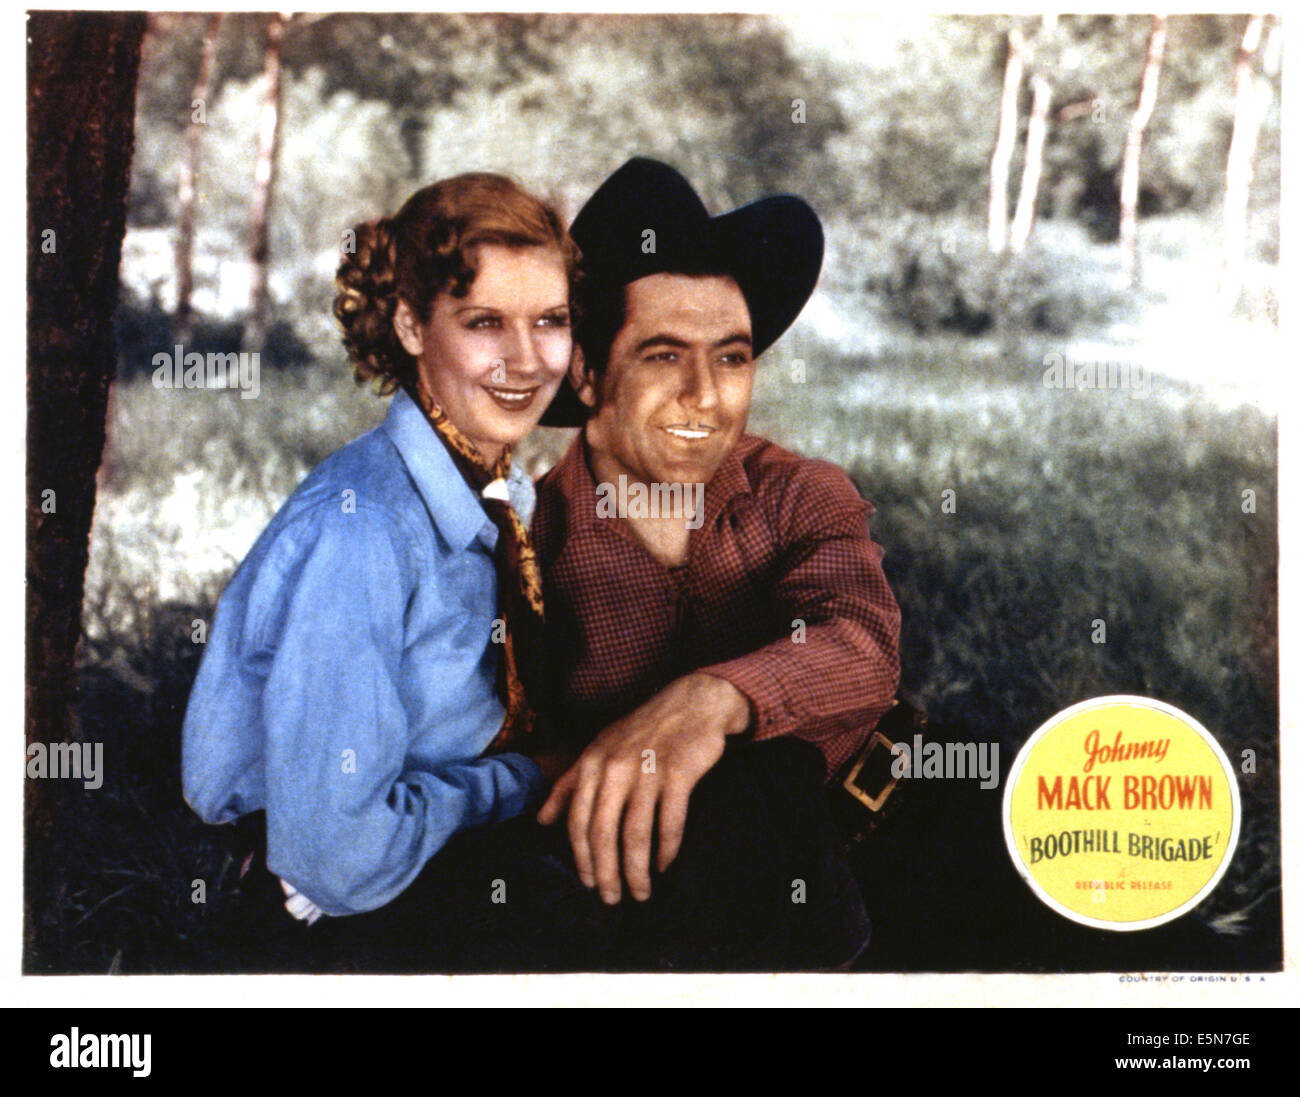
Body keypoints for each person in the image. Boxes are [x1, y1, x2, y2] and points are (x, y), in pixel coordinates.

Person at [181, 173, 582, 962]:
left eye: (551, 321)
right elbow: (338, 853)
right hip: (328, 900)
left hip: (424, 839)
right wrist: (525, 781)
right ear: (408, 324)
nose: (527, 360)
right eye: (484, 323)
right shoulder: (363, 530)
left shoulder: (504, 489)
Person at [528, 157, 903, 968]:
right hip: (665, 904)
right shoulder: (521, 542)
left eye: (732, 357)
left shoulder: (802, 491)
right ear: (589, 373)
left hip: (883, 835)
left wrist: (712, 698)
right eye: (664, 355)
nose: (708, 394)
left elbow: (863, 645)